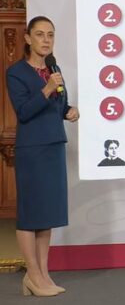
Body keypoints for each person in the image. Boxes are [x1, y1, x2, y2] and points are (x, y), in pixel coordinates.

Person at [6, 16, 79, 296]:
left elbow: (58, 105)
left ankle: (44, 275)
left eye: (50, 34)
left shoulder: (53, 68)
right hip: (32, 150)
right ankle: (32, 275)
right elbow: (24, 112)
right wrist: (47, 89)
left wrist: (69, 111)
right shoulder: (16, 72)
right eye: (39, 34)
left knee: (46, 214)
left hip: (54, 146)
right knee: (30, 215)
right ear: (28, 39)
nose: (46, 40)